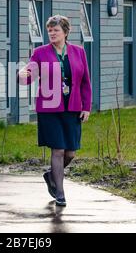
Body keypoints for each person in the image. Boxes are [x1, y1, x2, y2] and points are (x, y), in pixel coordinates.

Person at [18, 15, 92, 206]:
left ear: (65, 32)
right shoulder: (40, 53)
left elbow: (85, 82)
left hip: (72, 107)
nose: (51, 33)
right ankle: (60, 193)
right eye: (49, 30)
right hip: (49, 108)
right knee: (58, 150)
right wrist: (22, 75)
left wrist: (87, 107)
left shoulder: (79, 52)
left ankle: (51, 175)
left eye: (55, 30)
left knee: (70, 153)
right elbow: (28, 77)